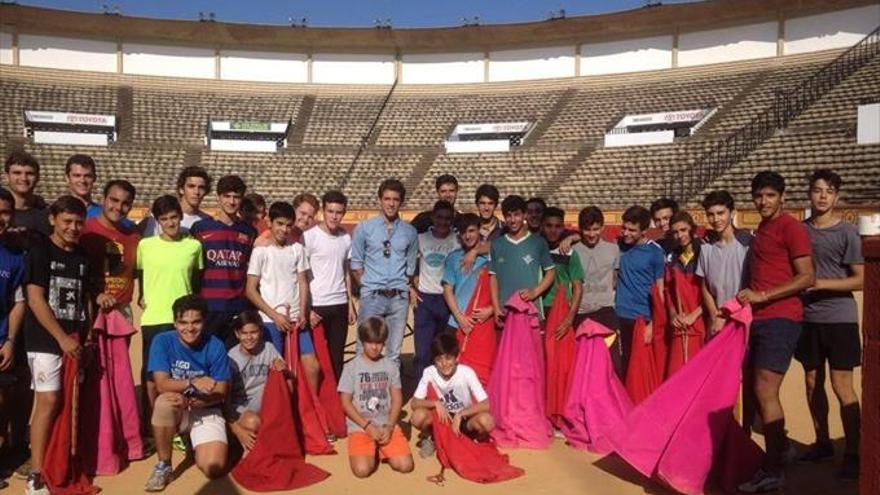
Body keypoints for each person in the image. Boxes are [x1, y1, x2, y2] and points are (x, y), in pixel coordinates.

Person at [737, 171, 814, 493]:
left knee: (765, 391)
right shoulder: (764, 230)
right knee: (757, 390)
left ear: (782, 197)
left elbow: (807, 276)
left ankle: (773, 470)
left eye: (770, 195)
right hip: (761, 319)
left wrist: (763, 296)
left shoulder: (791, 227)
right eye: (758, 195)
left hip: (780, 318)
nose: (763, 201)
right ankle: (780, 450)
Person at [22, 196, 93, 495]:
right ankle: (36, 471)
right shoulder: (40, 252)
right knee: (48, 401)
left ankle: (60, 462)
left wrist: (85, 336)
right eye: (67, 221)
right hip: (45, 340)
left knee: (68, 404)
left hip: (74, 341)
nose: (73, 228)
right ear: (52, 219)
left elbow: (84, 299)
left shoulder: (82, 256)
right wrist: (61, 338)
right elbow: (35, 298)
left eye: (78, 222)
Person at [796, 169, 862, 480]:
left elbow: (861, 279)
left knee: (841, 386)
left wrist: (820, 283)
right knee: (811, 382)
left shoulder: (847, 232)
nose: (823, 196)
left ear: (836, 197)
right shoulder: (799, 230)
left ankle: (853, 451)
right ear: (809, 193)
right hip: (808, 317)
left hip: (839, 317)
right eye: (818, 190)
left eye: (829, 191)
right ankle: (823, 441)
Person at [145, 295, 230, 491]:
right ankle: (164, 464)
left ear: (204, 322)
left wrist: (193, 400)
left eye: (196, 322)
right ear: (174, 322)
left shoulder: (215, 345)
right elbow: (162, 384)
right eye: (183, 322)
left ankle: (192, 441)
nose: (189, 329)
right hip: (177, 407)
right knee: (164, 402)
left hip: (206, 409)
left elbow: (221, 389)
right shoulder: (162, 341)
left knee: (213, 468)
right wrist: (193, 381)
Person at [136, 195, 203, 425]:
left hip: (184, 320)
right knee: (152, 374)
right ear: (157, 221)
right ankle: (151, 422)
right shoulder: (145, 246)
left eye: (174, 217)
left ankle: (180, 421)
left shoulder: (194, 246)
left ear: (180, 216)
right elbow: (141, 277)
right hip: (154, 318)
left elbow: (196, 281)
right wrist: (142, 297)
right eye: (164, 219)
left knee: (181, 372)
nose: (171, 223)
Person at [245, 201, 318, 390]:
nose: (284, 229)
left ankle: (310, 410)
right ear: (270, 222)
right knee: (280, 371)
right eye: (280, 223)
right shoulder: (260, 251)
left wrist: (303, 312)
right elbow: (250, 290)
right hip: (271, 320)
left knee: (312, 366)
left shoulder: (297, 249)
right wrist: (274, 316)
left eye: (288, 225)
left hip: (295, 318)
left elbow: (303, 282)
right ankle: (285, 414)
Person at [351, 179, 418, 366]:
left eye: (395, 199)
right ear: (380, 200)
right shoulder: (364, 228)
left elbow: (410, 268)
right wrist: (367, 286)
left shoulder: (410, 232)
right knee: (364, 348)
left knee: (393, 353)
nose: (391, 203)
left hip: (398, 298)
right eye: (387, 198)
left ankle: (390, 395)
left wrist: (403, 287)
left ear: (401, 201)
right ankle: (361, 394)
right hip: (372, 296)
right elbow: (356, 263)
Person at [337, 317, 413, 478]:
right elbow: (345, 402)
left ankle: (381, 447)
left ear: (384, 343)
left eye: (379, 343)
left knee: (405, 466)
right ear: (363, 341)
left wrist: (391, 426)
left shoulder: (391, 366)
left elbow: (397, 398)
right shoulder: (351, 367)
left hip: (386, 424)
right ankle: (371, 449)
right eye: (370, 342)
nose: (374, 347)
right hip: (361, 426)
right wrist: (367, 427)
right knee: (362, 470)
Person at [190, 175, 257, 348]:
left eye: (236, 197)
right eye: (227, 196)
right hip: (210, 306)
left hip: (237, 306)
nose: (232, 201)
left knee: (235, 359)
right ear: (219, 197)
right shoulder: (200, 228)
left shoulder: (249, 232)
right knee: (208, 354)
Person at [410, 332, 494, 458]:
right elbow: (414, 403)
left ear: (457, 358)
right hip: (441, 419)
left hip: (463, 419)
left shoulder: (467, 372)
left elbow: (486, 404)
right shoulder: (429, 372)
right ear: (434, 361)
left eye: (448, 358)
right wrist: (435, 403)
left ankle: (474, 439)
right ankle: (431, 438)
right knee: (417, 416)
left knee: (487, 421)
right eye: (439, 359)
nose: (444, 364)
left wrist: (461, 414)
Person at [304, 190, 354, 381]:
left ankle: (336, 402)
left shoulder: (345, 238)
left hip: (339, 304)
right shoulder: (310, 237)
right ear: (323, 211)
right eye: (330, 211)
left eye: (339, 212)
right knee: (315, 359)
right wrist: (307, 308)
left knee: (336, 357)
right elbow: (301, 276)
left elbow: (346, 272)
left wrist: (350, 304)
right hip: (316, 306)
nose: (334, 216)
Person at [441, 213, 495, 385]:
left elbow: (503, 287)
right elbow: (447, 289)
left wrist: (492, 309)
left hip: (484, 322)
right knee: (452, 369)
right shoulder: (453, 257)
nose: (468, 235)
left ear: (480, 231)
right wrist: (459, 317)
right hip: (457, 322)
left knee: (483, 372)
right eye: (463, 232)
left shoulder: (491, 255)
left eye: (472, 230)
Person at [572, 206, 623, 378]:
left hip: (605, 311)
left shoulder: (613, 249)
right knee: (584, 364)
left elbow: (615, 278)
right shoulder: (572, 251)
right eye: (587, 229)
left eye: (595, 229)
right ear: (580, 229)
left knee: (613, 363)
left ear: (602, 227)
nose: (591, 234)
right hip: (581, 313)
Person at [615, 205, 665, 379]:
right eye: (624, 228)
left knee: (638, 371)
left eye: (632, 230)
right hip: (619, 314)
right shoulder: (619, 245)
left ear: (644, 231)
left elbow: (660, 289)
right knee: (620, 366)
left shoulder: (655, 252)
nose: (626, 233)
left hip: (642, 317)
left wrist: (653, 322)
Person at [226, 310, 286, 454]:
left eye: (253, 332)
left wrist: (282, 369)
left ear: (260, 332)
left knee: (286, 383)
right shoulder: (231, 358)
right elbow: (225, 398)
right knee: (252, 421)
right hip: (241, 408)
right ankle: (249, 452)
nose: (249, 337)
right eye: (244, 333)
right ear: (237, 334)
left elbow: (282, 373)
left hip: (266, 404)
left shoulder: (269, 348)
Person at [412, 200, 458, 380]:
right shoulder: (421, 238)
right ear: (432, 217)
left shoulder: (457, 240)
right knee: (423, 352)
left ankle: (444, 390)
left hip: (447, 300)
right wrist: (411, 287)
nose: (443, 222)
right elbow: (408, 264)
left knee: (445, 351)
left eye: (447, 218)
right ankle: (420, 392)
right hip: (426, 299)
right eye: (439, 217)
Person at [489, 195, 555, 320]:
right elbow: (493, 278)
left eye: (517, 214)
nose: (513, 220)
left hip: (531, 311)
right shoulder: (497, 244)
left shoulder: (538, 242)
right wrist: (496, 308)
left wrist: (535, 292)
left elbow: (551, 271)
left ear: (524, 215)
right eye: (508, 215)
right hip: (505, 312)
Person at [697, 190, 751, 339]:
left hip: (742, 319)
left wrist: (727, 312)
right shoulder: (706, 248)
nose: (716, 219)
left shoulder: (748, 244)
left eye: (721, 213)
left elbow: (751, 285)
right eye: (711, 214)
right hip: (716, 322)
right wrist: (715, 316)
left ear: (732, 213)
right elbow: (705, 287)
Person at [0, 187, 27, 486]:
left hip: (1, 340)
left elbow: (18, 301)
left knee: (4, 400)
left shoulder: (14, 255)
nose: (1, 218)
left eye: (6, 212)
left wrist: (9, 340)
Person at [663, 211, 705, 378]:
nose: (679, 235)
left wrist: (694, 316)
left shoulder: (705, 253)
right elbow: (668, 291)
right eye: (675, 232)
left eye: (683, 230)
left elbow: (712, 291)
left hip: (699, 322)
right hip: (680, 324)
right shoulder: (672, 257)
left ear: (692, 230)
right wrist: (673, 313)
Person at [540, 206, 584, 332]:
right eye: (549, 225)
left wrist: (570, 318)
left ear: (563, 227)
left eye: (557, 226)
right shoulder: (535, 249)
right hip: (538, 309)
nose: (553, 230)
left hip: (561, 309)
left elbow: (578, 288)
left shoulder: (569, 253)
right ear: (542, 226)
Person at [140, 166, 213, 237]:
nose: (196, 192)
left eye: (201, 187)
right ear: (181, 189)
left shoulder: (208, 221)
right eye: (191, 186)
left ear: (206, 191)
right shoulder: (159, 215)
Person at [4, 151, 49, 236]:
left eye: (29, 173)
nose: (24, 178)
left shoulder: (48, 215)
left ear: (38, 177)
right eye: (17, 173)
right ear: (6, 177)